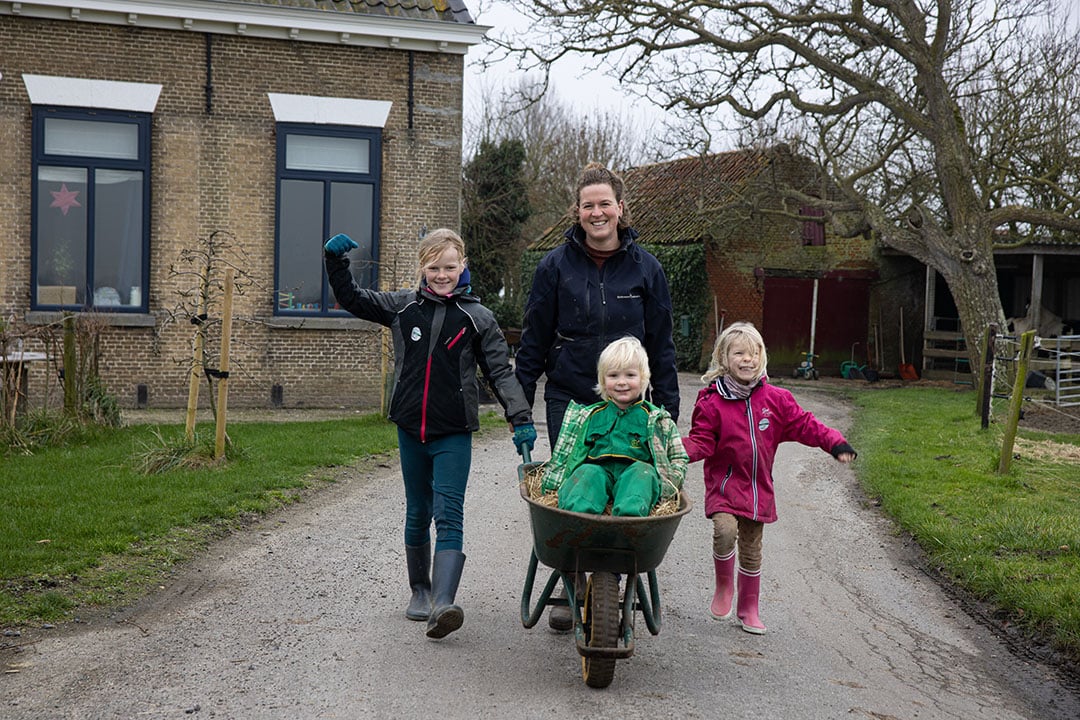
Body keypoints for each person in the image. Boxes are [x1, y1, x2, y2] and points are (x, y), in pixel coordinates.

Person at [324, 229, 537, 640]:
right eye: (434, 267)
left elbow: (500, 374)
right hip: (410, 428)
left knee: (449, 511)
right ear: (423, 267)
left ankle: (444, 603)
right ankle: (420, 591)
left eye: (450, 267)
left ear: (463, 265)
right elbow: (353, 299)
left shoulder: (479, 318)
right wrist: (336, 264)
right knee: (418, 510)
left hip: (453, 431)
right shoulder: (403, 306)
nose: (442, 275)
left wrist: (520, 416)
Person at [514, 163, 681, 630]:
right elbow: (532, 343)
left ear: (620, 208)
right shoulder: (554, 266)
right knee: (578, 477)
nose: (597, 212)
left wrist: (667, 413)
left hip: (634, 401)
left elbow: (663, 346)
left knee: (634, 480)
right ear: (578, 211)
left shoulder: (647, 269)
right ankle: (573, 581)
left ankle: (616, 575)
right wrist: (518, 408)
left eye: (605, 203)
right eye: (588, 205)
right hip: (571, 396)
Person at [681, 322, 856, 635]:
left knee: (751, 548)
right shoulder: (712, 403)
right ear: (724, 358)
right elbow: (702, 441)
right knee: (724, 530)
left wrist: (835, 442)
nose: (748, 359)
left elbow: (808, 425)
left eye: (754, 353)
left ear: (762, 357)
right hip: (724, 487)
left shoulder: (776, 400)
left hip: (758, 490)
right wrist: (674, 451)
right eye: (739, 353)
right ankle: (724, 586)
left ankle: (749, 609)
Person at [539, 336, 687, 517]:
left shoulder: (656, 420)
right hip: (599, 472)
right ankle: (577, 519)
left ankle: (629, 520)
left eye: (630, 375)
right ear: (603, 380)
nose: (621, 382)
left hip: (634, 475)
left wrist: (671, 483)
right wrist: (553, 483)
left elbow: (678, 456)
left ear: (643, 378)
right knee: (587, 472)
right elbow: (567, 453)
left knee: (643, 473)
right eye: (613, 375)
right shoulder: (588, 416)